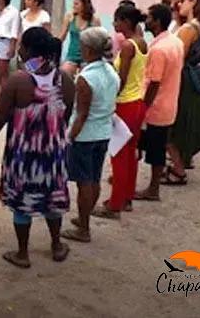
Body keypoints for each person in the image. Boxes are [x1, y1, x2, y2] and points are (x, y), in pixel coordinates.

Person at [0, 27, 74, 268]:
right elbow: (66, 115)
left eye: (21, 45)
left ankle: (22, 253)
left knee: (22, 202)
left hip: (24, 155)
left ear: (29, 50)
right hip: (53, 153)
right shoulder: (65, 79)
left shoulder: (19, 80)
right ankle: (56, 245)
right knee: (53, 198)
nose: (18, 50)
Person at [61, 27, 119, 243]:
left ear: (87, 49)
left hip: (86, 135)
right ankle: (84, 217)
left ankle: (83, 228)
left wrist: (70, 137)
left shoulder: (86, 78)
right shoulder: (111, 71)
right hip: (103, 131)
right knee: (94, 178)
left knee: (84, 182)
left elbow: (82, 114)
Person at [93, 4, 148, 219]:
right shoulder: (142, 42)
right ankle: (126, 198)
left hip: (124, 104)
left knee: (119, 155)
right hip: (137, 103)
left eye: (117, 20)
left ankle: (114, 204)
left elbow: (121, 80)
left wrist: (109, 100)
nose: (114, 25)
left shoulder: (127, 47)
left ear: (125, 22)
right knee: (130, 154)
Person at [164, 0, 200, 184]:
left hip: (183, 81)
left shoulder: (188, 29)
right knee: (186, 124)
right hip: (194, 82)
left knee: (173, 128)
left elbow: (177, 58)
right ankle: (183, 162)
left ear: (194, 3)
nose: (179, 3)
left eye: (184, 0)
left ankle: (177, 170)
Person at [134, 3, 183, 202]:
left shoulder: (159, 49)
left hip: (156, 107)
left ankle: (152, 189)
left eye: (149, 18)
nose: (146, 21)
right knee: (154, 146)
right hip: (169, 103)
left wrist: (143, 107)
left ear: (157, 22)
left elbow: (154, 82)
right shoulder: (174, 42)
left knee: (153, 150)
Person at [58, 0, 101, 76]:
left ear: (85, 5)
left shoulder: (94, 20)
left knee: (84, 78)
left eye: (76, 4)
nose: (73, 6)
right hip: (72, 55)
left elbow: (98, 40)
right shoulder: (70, 17)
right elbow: (62, 36)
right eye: (73, 3)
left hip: (87, 56)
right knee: (63, 74)